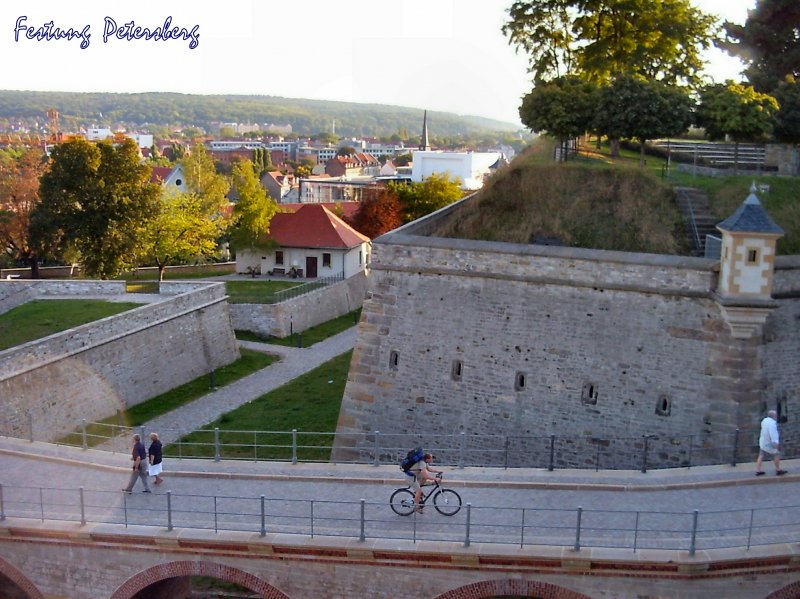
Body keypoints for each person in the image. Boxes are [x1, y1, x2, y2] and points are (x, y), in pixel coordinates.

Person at [756, 410, 787, 476]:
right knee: (776, 454)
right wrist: (775, 442)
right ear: (774, 416)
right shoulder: (772, 423)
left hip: (763, 441)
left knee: (761, 455)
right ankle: (778, 470)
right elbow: (773, 433)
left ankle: (758, 470)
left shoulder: (764, 421)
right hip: (769, 442)